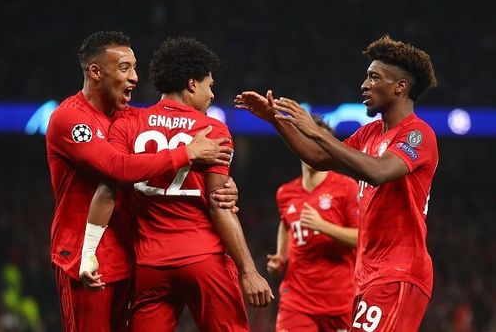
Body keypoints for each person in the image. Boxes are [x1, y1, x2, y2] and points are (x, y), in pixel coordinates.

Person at [235, 35, 438, 332]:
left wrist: (317, 132)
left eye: (373, 77)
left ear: (400, 86)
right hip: (368, 273)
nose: (364, 85)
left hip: (398, 271)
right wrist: (276, 121)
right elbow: (318, 157)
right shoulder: (369, 133)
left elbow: (379, 172)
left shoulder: (418, 134)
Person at [46, 31, 238, 332]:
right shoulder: (71, 120)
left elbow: (160, 156)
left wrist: (221, 184)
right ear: (95, 72)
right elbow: (117, 167)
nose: (135, 77)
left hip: (130, 253)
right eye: (124, 68)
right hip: (87, 256)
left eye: (135, 67)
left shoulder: (128, 119)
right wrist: (186, 153)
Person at [80, 37, 273, 331]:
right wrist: (249, 271)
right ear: (192, 84)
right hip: (204, 260)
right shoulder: (213, 129)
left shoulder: (128, 123)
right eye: (210, 85)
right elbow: (220, 204)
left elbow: (108, 190)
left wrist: (89, 253)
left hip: (151, 264)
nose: (211, 95)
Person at [267, 115, 359, 332]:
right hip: (297, 303)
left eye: (320, 144)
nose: (314, 150)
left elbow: (361, 237)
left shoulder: (346, 188)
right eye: (308, 142)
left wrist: (322, 226)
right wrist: (281, 257)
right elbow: (285, 225)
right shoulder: (285, 193)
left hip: (339, 303)